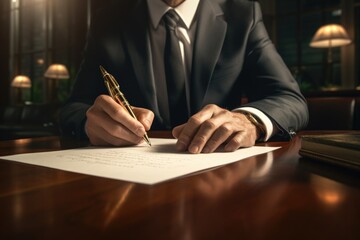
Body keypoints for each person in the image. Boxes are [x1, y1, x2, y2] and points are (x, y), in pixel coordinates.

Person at [59, 0, 309, 154]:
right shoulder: (107, 20)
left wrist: (248, 120)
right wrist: (89, 123)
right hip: (132, 178)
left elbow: (289, 98)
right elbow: (73, 107)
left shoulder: (243, 14)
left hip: (221, 175)